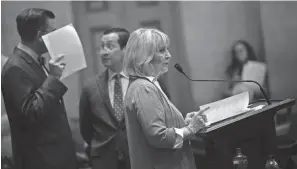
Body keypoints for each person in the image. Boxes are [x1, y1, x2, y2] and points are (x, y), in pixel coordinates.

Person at [123, 28, 209, 169]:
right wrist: (191, 129)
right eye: (162, 51)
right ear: (144, 56)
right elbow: (159, 136)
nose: (169, 55)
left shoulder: (149, 84)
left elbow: (158, 126)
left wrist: (184, 123)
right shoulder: (143, 88)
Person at [1, 8, 77, 169]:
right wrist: (53, 78)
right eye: (53, 32)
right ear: (40, 36)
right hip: (41, 160)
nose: (57, 37)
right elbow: (31, 112)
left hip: (55, 157)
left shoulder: (34, 60)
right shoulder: (15, 67)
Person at [79, 28, 131, 169]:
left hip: (139, 159)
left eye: (110, 46)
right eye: (102, 46)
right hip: (104, 161)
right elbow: (86, 128)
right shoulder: (91, 87)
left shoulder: (145, 82)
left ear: (126, 49)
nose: (103, 52)